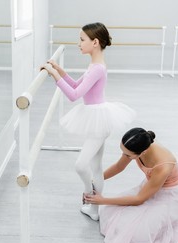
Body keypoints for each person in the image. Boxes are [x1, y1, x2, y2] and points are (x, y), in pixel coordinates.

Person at [42, 22, 136, 221]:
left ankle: (89, 197)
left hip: (98, 121)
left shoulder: (97, 69)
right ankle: (94, 210)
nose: (79, 44)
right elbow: (77, 85)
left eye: (82, 39)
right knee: (96, 167)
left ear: (95, 42)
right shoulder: (95, 65)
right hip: (98, 118)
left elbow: (74, 95)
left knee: (81, 165)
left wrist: (54, 74)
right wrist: (60, 71)